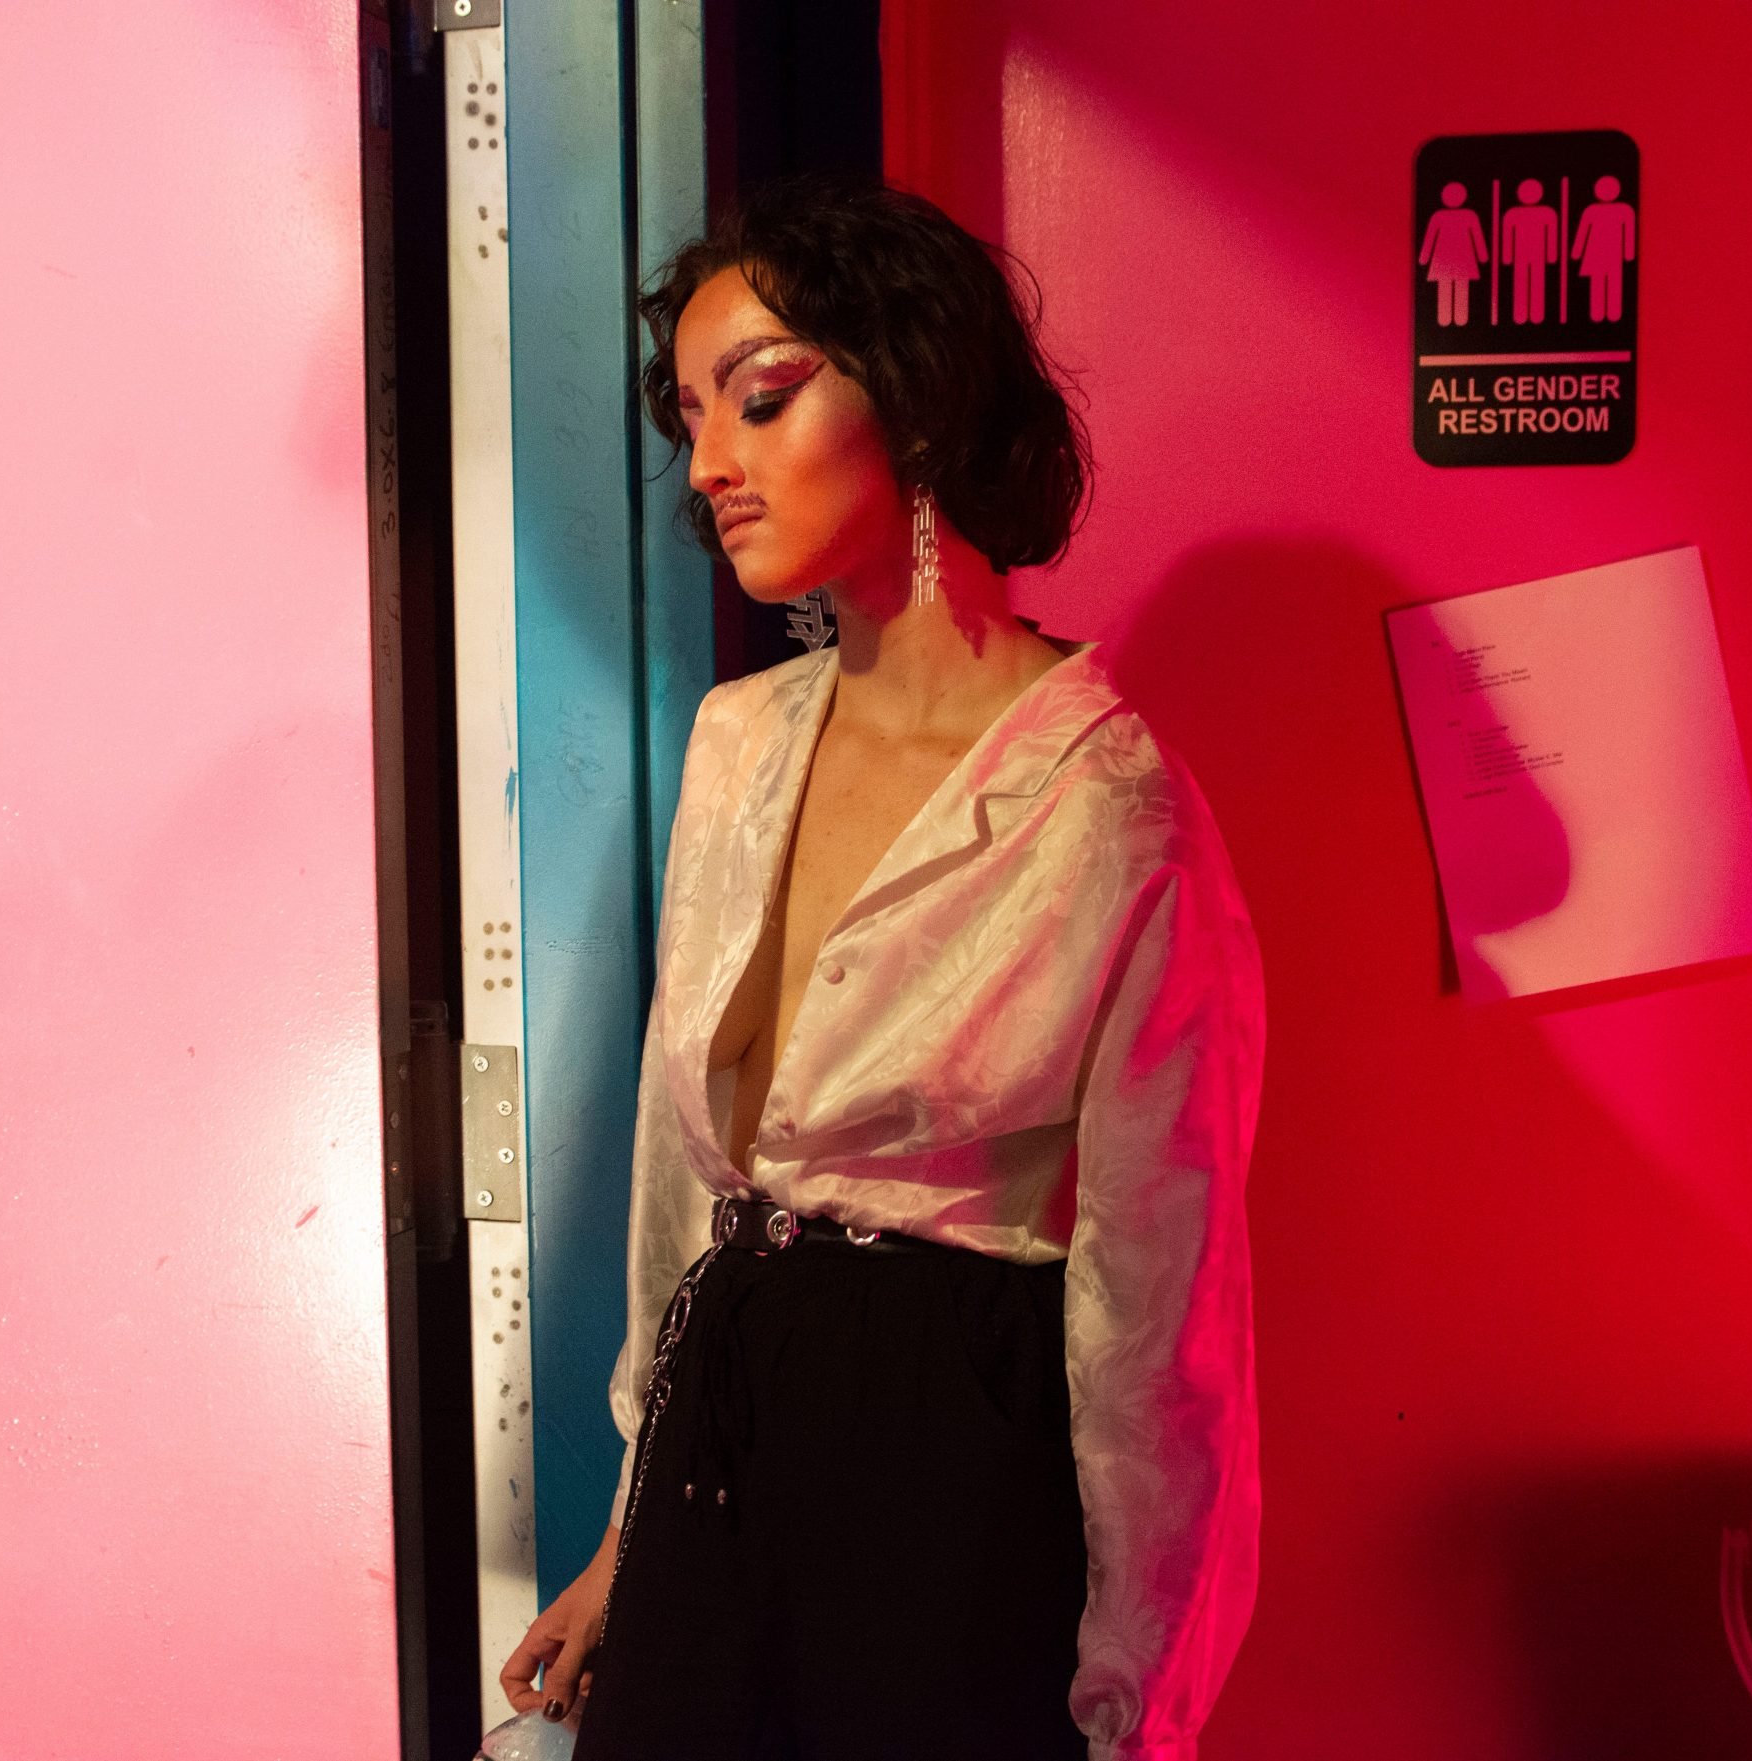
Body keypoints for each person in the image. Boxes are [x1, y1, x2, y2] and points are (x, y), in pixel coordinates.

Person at [494, 175, 1265, 1761]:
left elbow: (1161, 1311)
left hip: (950, 1492)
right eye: (693, 410)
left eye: (762, 397)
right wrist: (625, 1540)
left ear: (909, 398)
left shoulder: (1108, 812)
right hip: (719, 1455)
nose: (709, 461)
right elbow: (674, 1175)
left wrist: (1140, 1703)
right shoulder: (737, 744)